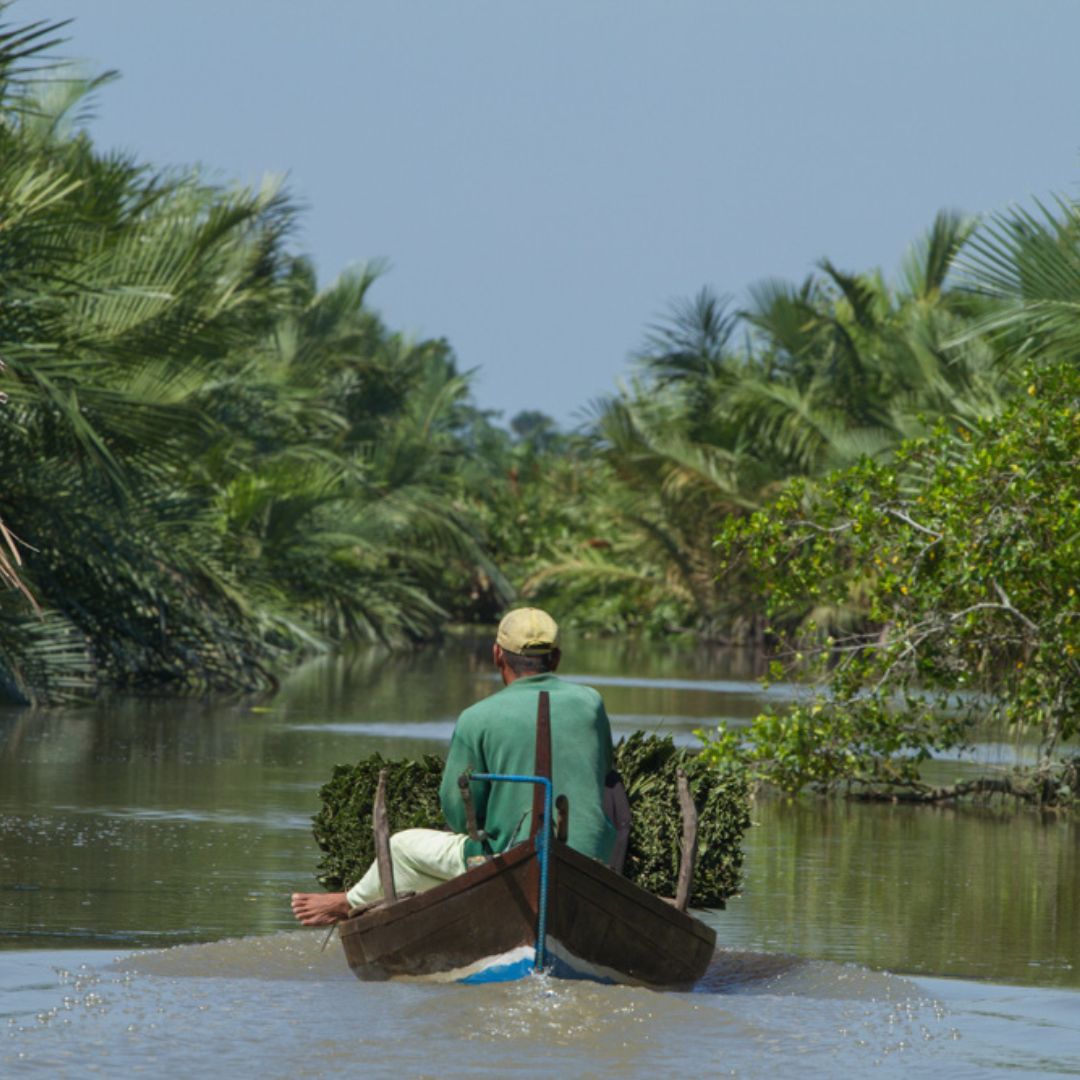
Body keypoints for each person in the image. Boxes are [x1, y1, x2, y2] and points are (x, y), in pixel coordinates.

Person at [291, 607, 623, 927]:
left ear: (496, 655)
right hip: (589, 857)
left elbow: (457, 812)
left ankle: (348, 903)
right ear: (557, 658)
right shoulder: (591, 703)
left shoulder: (477, 717)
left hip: (508, 858)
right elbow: (605, 777)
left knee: (401, 848)